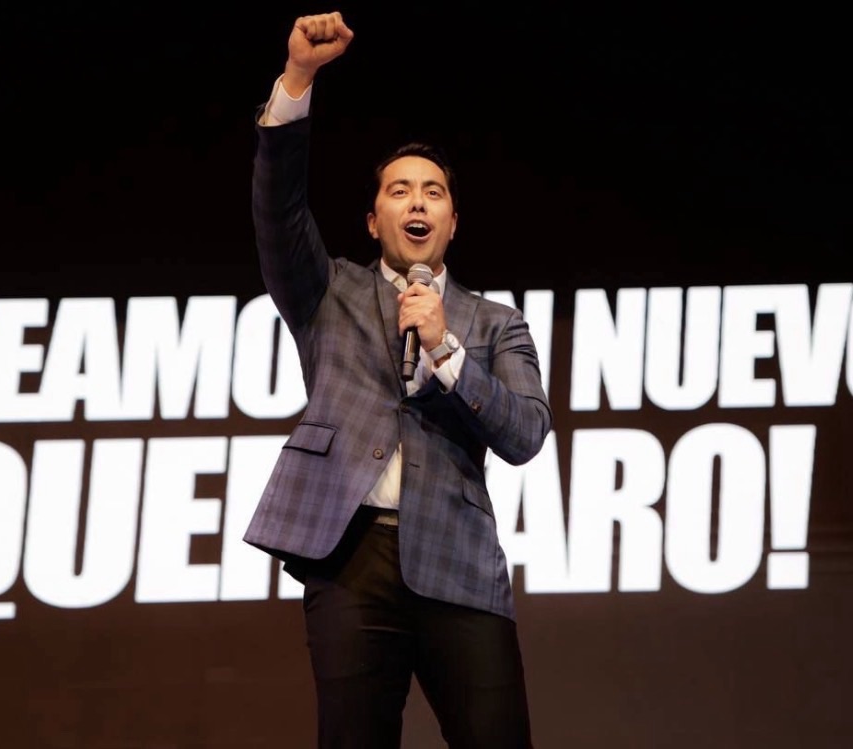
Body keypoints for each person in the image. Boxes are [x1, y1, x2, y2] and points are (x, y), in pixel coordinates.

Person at [242, 11, 553, 749]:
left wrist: (447, 350)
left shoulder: (495, 322)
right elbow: (278, 209)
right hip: (349, 554)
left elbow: (524, 434)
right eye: (400, 190)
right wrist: (298, 79)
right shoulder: (327, 291)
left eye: (433, 192)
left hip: (457, 555)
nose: (417, 201)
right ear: (372, 219)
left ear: (453, 222)